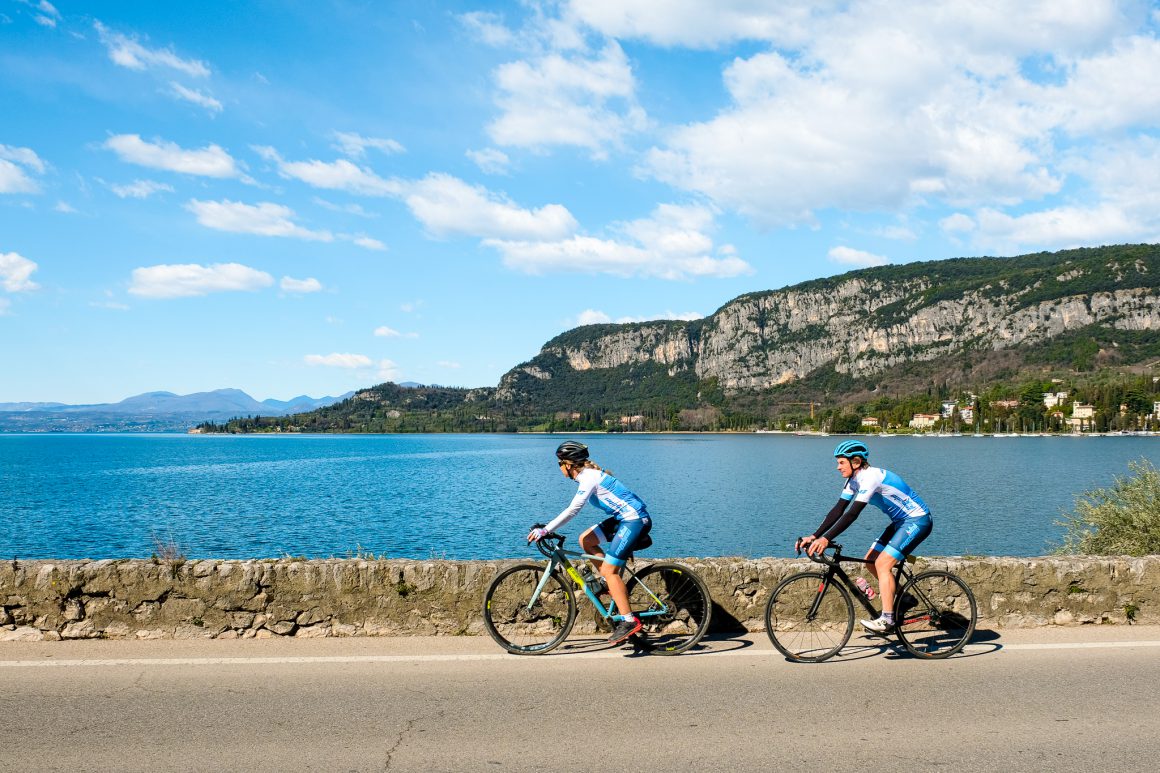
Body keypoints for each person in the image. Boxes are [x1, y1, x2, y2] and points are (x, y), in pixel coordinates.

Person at [799, 439, 933, 633]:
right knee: (870, 561)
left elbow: (852, 514)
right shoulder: (853, 480)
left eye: (841, 462)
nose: (837, 467)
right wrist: (815, 535)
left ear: (856, 462)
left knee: (882, 564)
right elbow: (838, 510)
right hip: (900, 523)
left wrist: (826, 539)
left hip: (917, 521)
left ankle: (887, 620)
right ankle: (904, 598)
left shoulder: (870, 477)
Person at [527, 440, 653, 645]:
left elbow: (573, 509)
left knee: (610, 571)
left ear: (568, 464)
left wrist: (546, 529)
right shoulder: (587, 477)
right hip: (623, 519)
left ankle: (629, 621)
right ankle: (608, 583)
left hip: (635, 520)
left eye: (560, 463)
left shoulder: (589, 478)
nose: (559, 468)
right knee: (586, 540)